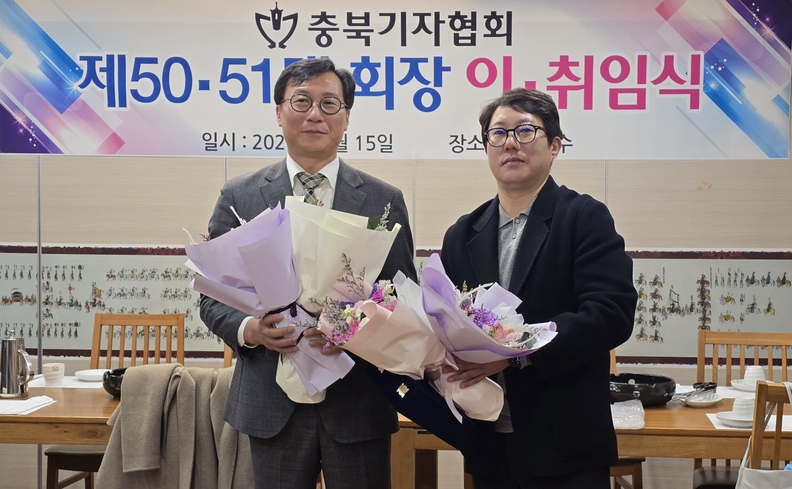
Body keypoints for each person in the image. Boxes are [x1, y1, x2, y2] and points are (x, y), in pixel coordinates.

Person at [200, 58, 416, 489]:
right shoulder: (240, 195)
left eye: (329, 103)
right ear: (279, 112)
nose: (315, 114)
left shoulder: (383, 199)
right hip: (271, 400)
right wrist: (252, 329)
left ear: (347, 117)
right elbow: (212, 296)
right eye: (301, 101)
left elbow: (401, 294)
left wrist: (350, 327)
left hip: (357, 398)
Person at [440, 88, 637, 489]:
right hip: (488, 441)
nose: (510, 143)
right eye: (499, 133)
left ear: (555, 145)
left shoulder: (583, 218)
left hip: (565, 442)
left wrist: (516, 355)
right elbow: (445, 319)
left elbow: (610, 314)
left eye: (526, 131)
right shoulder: (461, 234)